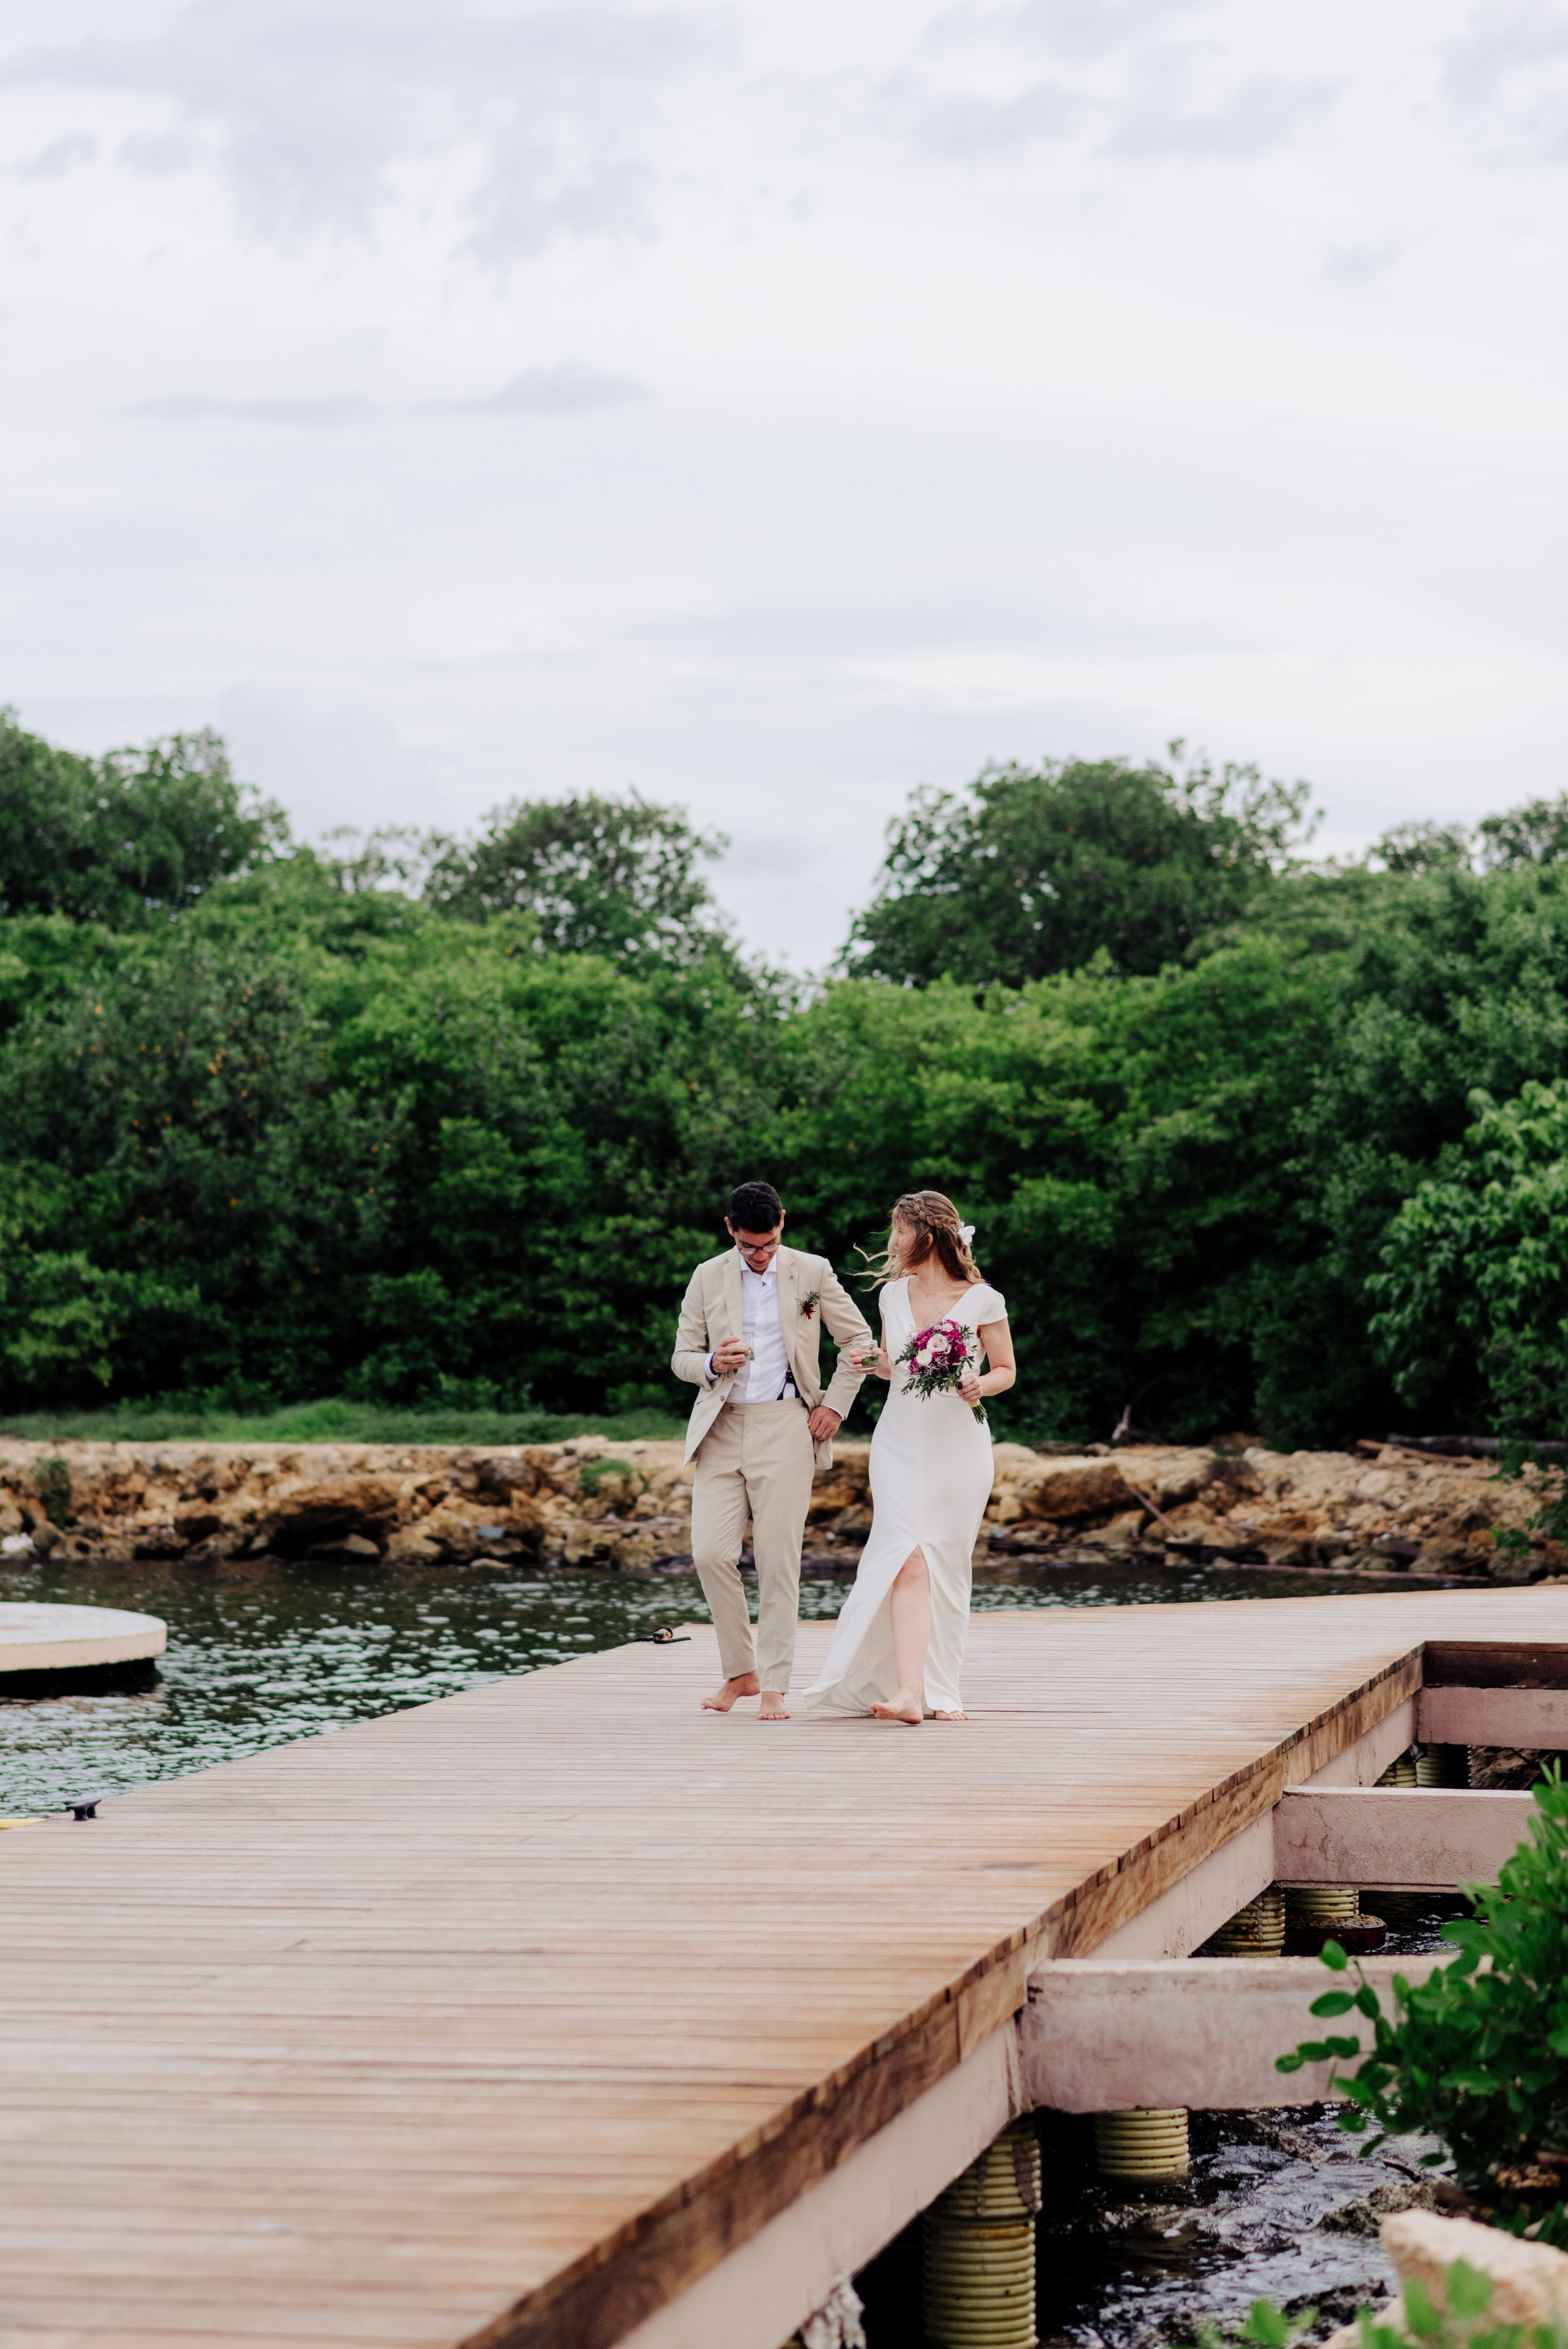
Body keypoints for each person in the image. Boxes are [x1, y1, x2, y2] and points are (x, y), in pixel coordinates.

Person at [805, 1190, 1016, 1725]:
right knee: (905, 1555)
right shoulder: (892, 1296)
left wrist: (980, 1382)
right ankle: (905, 1692)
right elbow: (892, 1367)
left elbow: (1007, 1369)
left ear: (926, 1235)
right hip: (898, 1441)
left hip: (958, 1446)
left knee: (944, 1563)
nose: (892, 1241)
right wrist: (869, 1359)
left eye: (899, 1231)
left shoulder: (984, 1299)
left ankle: (937, 1689)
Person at [671, 1180, 875, 1721]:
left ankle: (775, 1683)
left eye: (770, 1242)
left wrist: (835, 1405)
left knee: (777, 1559)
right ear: (730, 1229)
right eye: (750, 1246)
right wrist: (713, 1362)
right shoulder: (706, 1275)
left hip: (787, 1425)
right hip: (720, 1426)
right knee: (710, 1554)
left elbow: (859, 1343)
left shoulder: (811, 1270)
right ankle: (741, 1671)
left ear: (783, 1221)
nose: (761, 1256)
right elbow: (681, 1357)